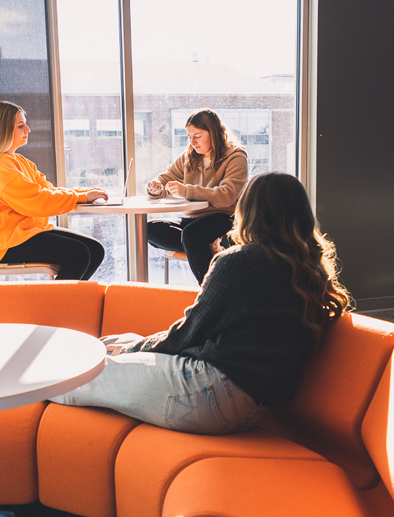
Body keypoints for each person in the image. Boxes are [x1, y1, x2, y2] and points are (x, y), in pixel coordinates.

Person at [50, 172, 351, 435]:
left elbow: (189, 333)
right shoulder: (308, 269)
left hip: (212, 394)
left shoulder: (242, 262)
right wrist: (131, 345)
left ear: (248, 212)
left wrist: (132, 350)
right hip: (251, 404)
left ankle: (27, 383)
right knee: (117, 341)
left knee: (80, 372)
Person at [0, 101, 107, 280]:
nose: (27, 129)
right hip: (9, 243)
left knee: (95, 250)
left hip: (27, 233)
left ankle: (70, 303)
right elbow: (36, 201)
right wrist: (80, 197)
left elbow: (47, 190)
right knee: (79, 254)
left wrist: (83, 193)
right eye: (20, 125)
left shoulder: (21, 162)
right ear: (3, 130)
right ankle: (56, 307)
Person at [146, 108, 249, 283]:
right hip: (192, 221)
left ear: (214, 133)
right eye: (189, 136)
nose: (192, 141)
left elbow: (227, 196)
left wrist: (187, 190)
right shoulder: (189, 157)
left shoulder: (235, 157)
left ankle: (210, 289)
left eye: (197, 135)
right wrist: (154, 187)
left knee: (191, 235)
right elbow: (165, 178)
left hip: (224, 218)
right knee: (149, 229)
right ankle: (211, 244)